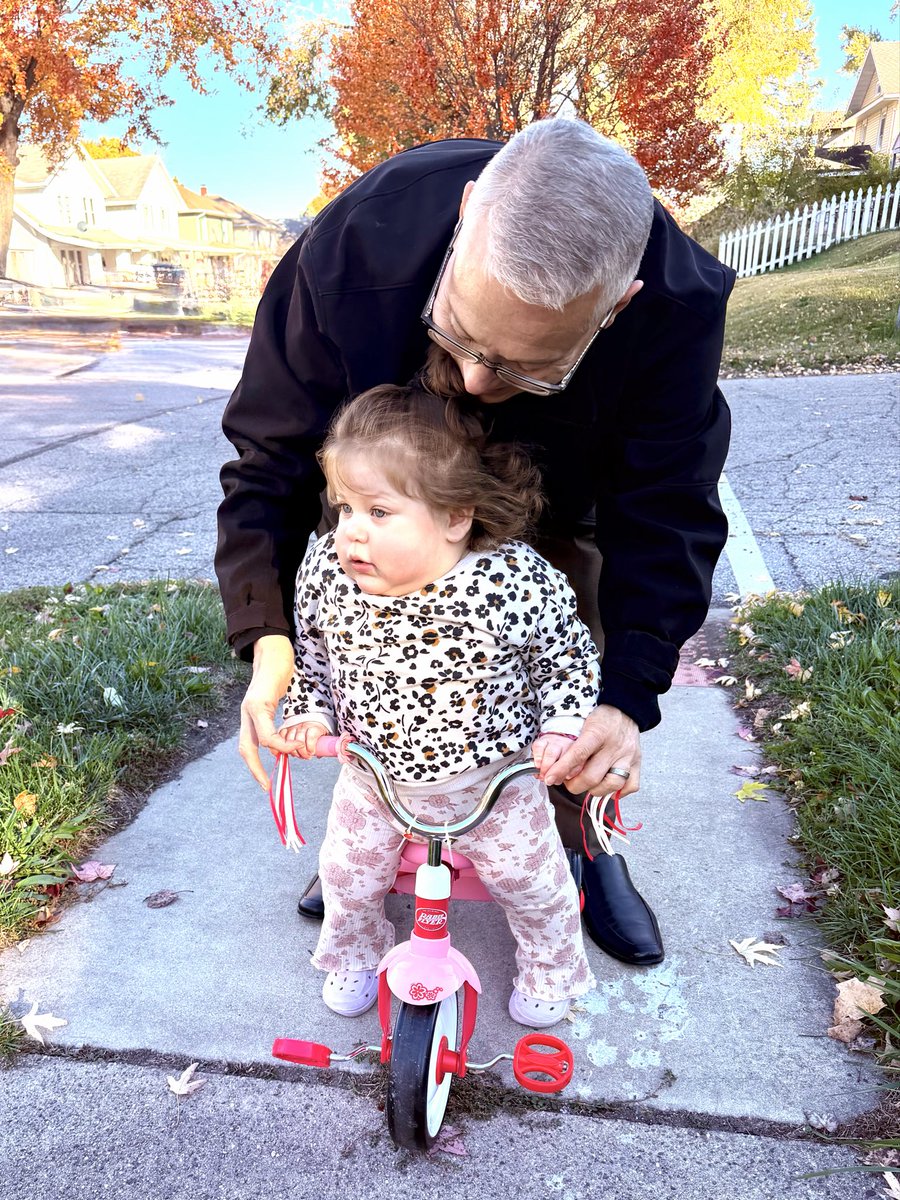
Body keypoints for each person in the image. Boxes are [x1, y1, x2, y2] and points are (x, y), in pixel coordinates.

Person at [216, 117, 735, 966]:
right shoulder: (351, 247)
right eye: (460, 335)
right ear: (465, 218)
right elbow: (270, 456)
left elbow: (667, 507)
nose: (479, 384)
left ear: (620, 303)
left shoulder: (677, 306)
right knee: (359, 610)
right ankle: (382, 827)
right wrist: (268, 636)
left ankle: (580, 841)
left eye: (531, 367)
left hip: (563, 493)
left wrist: (627, 698)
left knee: (575, 630)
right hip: (391, 473)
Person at [279, 383, 599, 1026]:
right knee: (346, 877)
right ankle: (356, 950)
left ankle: (550, 963)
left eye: (379, 512)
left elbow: (567, 656)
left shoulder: (508, 582)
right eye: (344, 510)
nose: (351, 534)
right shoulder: (329, 576)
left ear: (456, 517)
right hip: (373, 775)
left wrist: (564, 726)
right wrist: (309, 713)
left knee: (535, 884)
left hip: (494, 781)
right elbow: (311, 652)